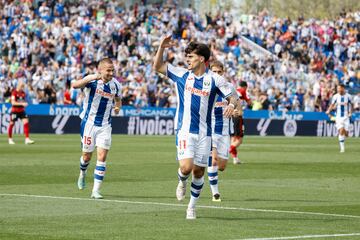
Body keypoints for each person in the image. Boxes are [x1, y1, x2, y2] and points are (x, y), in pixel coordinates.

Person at [153, 36, 238, 219]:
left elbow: (233, 96)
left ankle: (191, 207)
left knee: (199, 171)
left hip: (205, 133)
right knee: (186, 167)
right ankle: (182, 181)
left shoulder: (215, 79)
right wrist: (161, 46)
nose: (187, 60)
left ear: (201, 58)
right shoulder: (181, 74)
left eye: (190, 56)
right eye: (187, 56)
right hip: (184, 130)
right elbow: (158, 67)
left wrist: (231, 105)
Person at [72, 58, 122, 199]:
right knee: (87, 156)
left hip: (105, 125)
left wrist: (117, 107)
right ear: (101, 70)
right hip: (89, 123)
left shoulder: (116, 85)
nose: (111, 73)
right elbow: (75, 85)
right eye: (108, 70)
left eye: (113, 70)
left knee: (102, 156)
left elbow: (118, 99)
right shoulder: (92, 80)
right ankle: (82, 173)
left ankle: (95, 190)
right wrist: (91, 77)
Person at [207, 60, 242, 202]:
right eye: (214, 72)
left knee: (221, 166)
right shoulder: (206, 87)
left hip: (225, 131)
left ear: (223, 72)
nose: (216, 74)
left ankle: (202, 166)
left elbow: (238, 105)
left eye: (219, 72)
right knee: (214, 160)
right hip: (209, 129)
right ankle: (215, 193)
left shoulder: (229, 88)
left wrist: (237, 112)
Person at [326, 84, 353, 153]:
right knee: (341, 130)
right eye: (337, 88)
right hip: (338, 117)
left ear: (343, 88)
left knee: (346, 134)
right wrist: (329, 110)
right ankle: (342, 149)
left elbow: (352, 105)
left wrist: (350, 112)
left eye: (339, 88)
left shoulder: (349, 96)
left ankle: (346, 133)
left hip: (346, 117)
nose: (338, 90)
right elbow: (332, 105)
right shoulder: (335, 96)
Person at [230, 81, 252, 164]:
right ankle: (228, 150)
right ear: (245, 87)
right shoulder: (243, 91)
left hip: (230, 115)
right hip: (238, 116)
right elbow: (250, 102)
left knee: (233, 138)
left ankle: (235, 159)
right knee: (239, 140)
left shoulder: (234, 90)